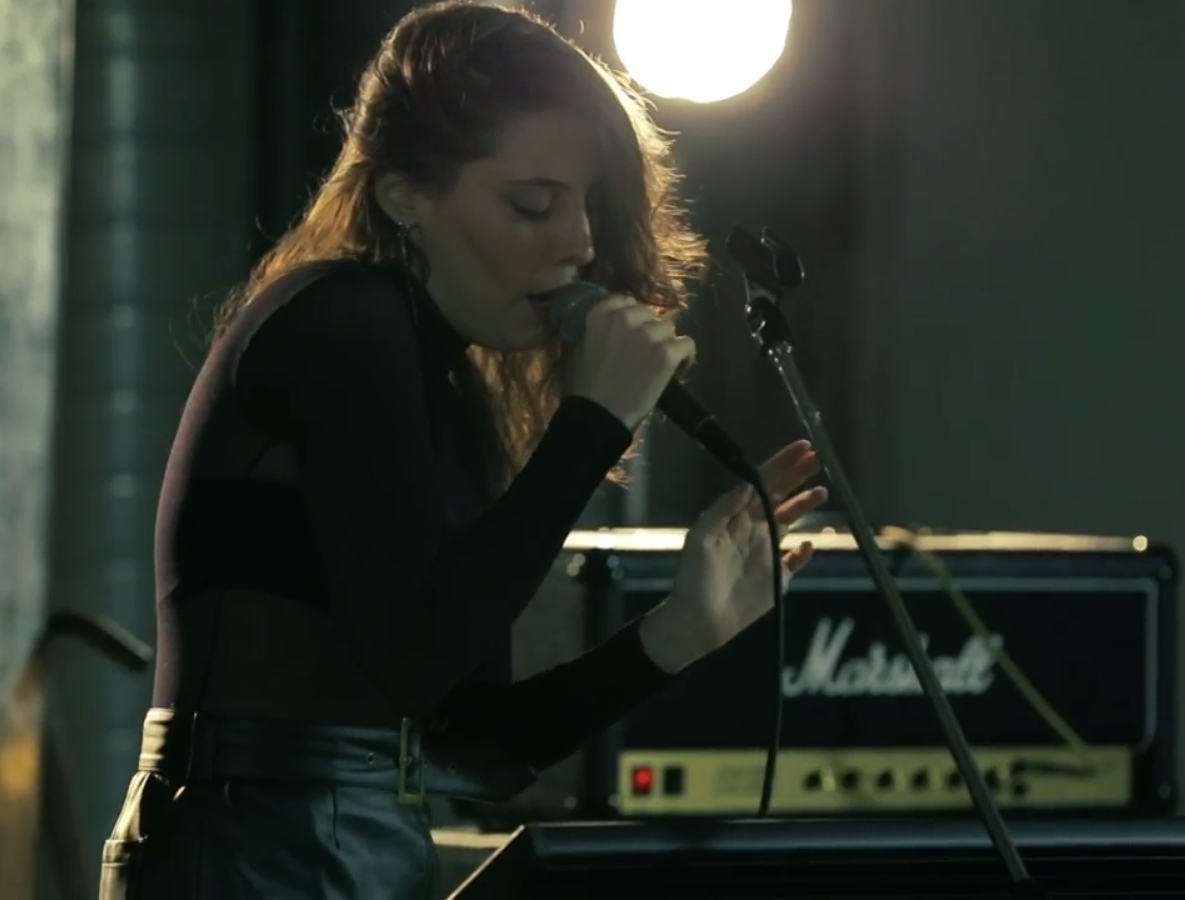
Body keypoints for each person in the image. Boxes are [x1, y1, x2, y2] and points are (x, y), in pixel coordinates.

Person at [99, 2, 826, 898]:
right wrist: (591, 424)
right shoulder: (345, 321)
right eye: (532, 203)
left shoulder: (443, 393)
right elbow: (419, 656)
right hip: (250, 852)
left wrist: (676, 637)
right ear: (404, 192)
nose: (581, 243)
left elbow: (471, 746)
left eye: (588, 206)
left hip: (353, 848)